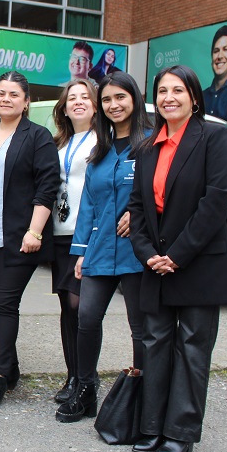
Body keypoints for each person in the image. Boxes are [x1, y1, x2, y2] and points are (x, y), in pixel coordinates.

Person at [128, 64, 227, 452]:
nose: (168, 97)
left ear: (194, 97)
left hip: (198, 263)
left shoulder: (213, 137)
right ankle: (152, 427)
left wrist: (177, 255)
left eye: (178, 90)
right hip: (155, 265)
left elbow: (216, 200)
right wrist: (148, 254)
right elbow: (137, 208)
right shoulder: (147, 147)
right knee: (155, 344)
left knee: (193, 347)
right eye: (162, 91)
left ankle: (181, 432)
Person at [56, 71, 152, 424]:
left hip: (136, 252)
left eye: (120, 98)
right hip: (98, 249)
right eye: (108, 99)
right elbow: (90, 206)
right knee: (86, 317)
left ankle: (143, 395)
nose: (114, 105)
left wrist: (138, 214)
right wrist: (80, 252)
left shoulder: (150, 146)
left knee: (140, 326)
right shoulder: (102, 150)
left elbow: (163, 193)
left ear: (134, 100)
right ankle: (85, 390)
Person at [0, 71, 59, 411]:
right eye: (1, 92)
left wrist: (34, 231)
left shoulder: (39, 137)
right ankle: (11, 367)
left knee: (4, 302)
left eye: (13, 94)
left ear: (26, 101)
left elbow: (48, 186)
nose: (5, 98)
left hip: (19, 238)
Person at [48, 78, 98, 405]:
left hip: (87, 235)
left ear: (96, 103)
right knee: (67, 306)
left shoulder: (103, 141)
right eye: (72, 98)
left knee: (82, 307)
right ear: (64, 107)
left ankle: (85, 379)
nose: (78, 102)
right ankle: (72, 376)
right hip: (59, 234)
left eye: (85, 97)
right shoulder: (58, 143)